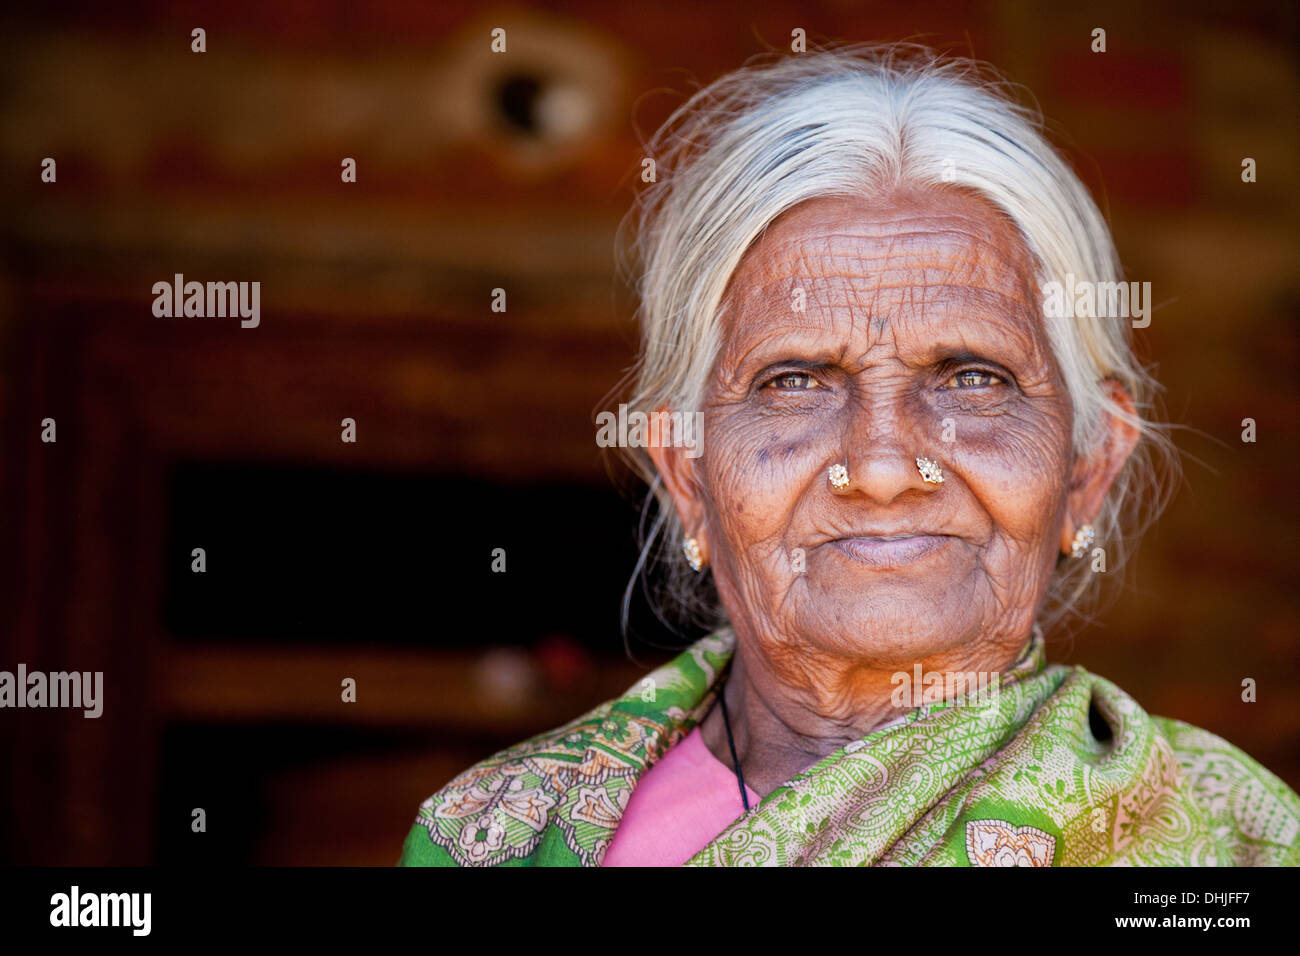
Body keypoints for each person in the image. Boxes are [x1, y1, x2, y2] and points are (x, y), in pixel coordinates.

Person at [398, 45, 1300, 866]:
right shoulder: (499, 839)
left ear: (1086, 468)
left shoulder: (1226, 853)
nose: (880, 466)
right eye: (794, 381)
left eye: (971, 377)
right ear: (687, 473)